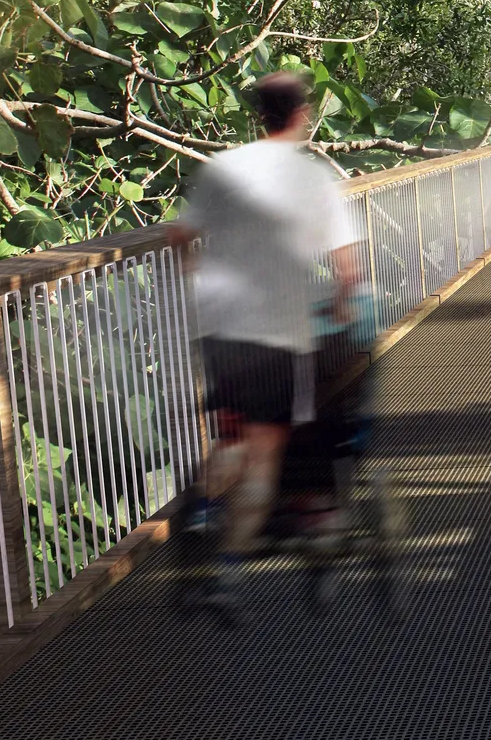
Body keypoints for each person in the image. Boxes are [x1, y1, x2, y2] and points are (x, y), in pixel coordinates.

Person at [171, 70, 360, 623]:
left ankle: (205, 505)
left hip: (219, 323)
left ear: (259, 113)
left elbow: (179, 236)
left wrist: (198, 282)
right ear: (302, 115)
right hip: (281, 331)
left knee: (230, 429)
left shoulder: (223, 167)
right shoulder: (314, 179)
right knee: (264, 453)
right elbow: (347, 269)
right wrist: (341, 306)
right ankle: (226, 578)